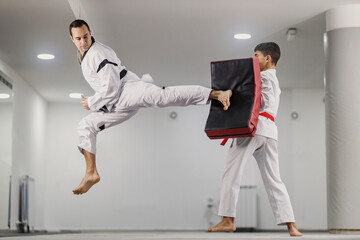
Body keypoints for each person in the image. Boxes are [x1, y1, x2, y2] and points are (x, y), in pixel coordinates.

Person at [69, 19, 232, 195]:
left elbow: (112, 87)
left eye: (86, 36)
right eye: (78, 39)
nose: (83, 42)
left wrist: (93, 102)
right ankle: (90, 172)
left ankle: (216, 94)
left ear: (90, 32)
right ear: (72, 39)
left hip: (127, 90)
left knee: (164, 96)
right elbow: (105, 87)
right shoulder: (83, 54)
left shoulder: (98, 53)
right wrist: (97, 100)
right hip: (113, 104)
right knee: (85, 126)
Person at [207, 42, 302, 237]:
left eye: (256, 55)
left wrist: (232, 91)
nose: (253, 59)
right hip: (269, 132)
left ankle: (228, 219)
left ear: (267, 58)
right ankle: (292, 226)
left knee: (231, 173)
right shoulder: (274, 80)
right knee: (274, 179)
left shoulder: (262, 77)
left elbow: (257, 100)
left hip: (253, 130)